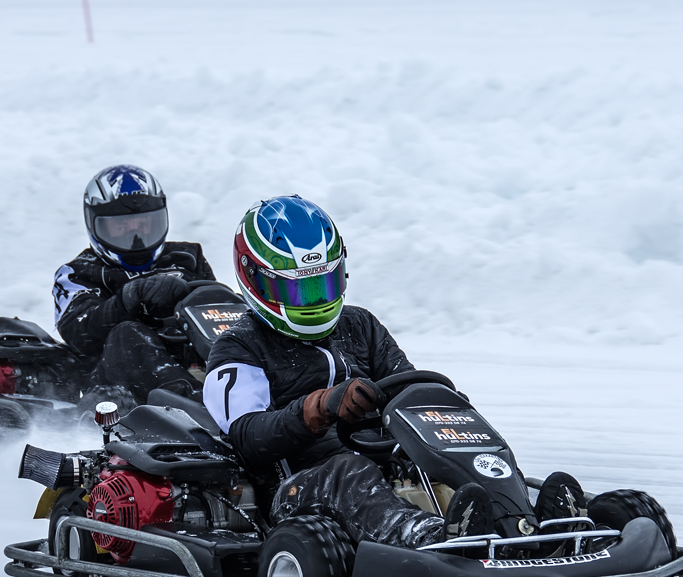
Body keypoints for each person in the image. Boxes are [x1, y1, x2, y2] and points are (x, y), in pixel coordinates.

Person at [202, 195, 587, 549]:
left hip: (385, 467)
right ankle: (433, 539)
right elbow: (247, 437)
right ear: (256, 281)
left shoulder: (360, 326)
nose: (317, 301)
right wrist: (322, 407)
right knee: (347, 471)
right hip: (298, 489)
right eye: (302, 291)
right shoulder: (238, 346)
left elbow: (410, 394)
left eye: (325, 283)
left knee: (450, 454)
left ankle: (527, 525)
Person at [53, 164, 217, 401]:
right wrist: (130, 298)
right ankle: (202, 405)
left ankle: (274, 395)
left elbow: (218, 313)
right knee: (127, 333)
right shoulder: (78, 273)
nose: (136, 237)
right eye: (121, 227)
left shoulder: (188, 258)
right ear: (95, 224)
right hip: (115, 385)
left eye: (143, 225)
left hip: (195, 360)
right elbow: (79, 334)